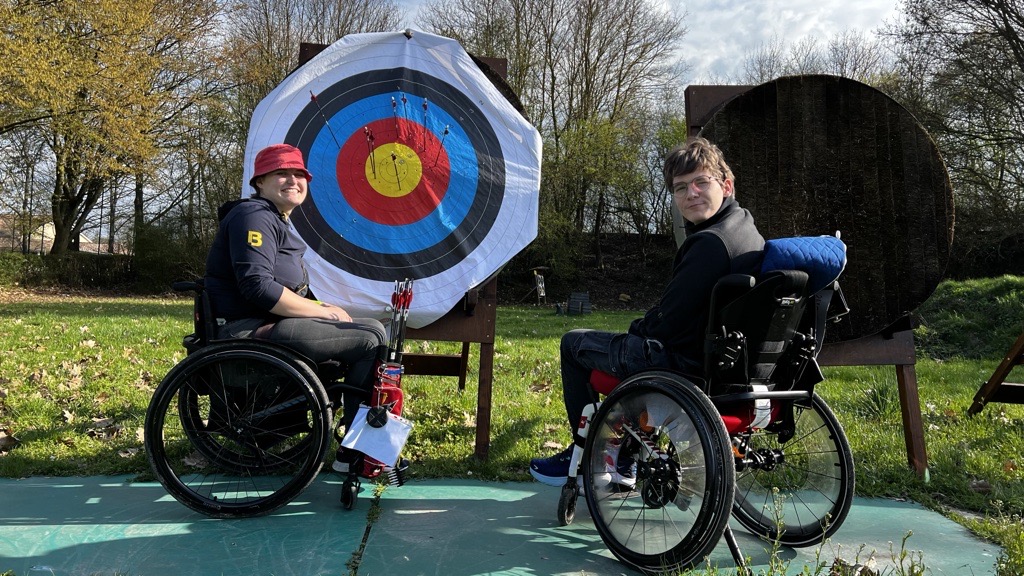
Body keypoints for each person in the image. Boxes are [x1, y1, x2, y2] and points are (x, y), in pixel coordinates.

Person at [529, 136, 766, 486]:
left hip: (682, 364)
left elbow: (667, 320)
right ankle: (623, 455)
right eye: (681, 187)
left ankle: (591, 457)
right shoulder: (744, 227)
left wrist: (638, 328)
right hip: (718, 360)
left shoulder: (709, 244)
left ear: (726, 185)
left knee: (574, 344)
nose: (691, 194)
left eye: (702, 182)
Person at [203, 143, 386, 473]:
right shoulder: (253, 216)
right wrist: (319, 312)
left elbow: (281, 287)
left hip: (263, 322)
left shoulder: (273, 219)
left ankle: (360, 442)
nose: (292, 180)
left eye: (299, 174)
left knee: (372, 328)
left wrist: (318, 304)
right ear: (260, 181)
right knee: (369, 340)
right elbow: (257, 286)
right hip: (246, 330)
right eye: (281, 173)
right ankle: (355, 451)